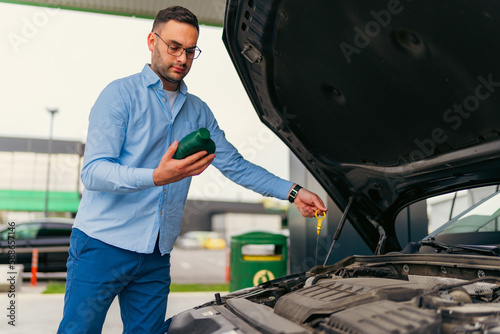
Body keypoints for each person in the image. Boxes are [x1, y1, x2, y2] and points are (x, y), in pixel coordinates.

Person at [57, 5, 327, 334]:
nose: (182, 59)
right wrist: (156, 177)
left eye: (190, 50)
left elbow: (236, 166)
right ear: (151, 41)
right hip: (101, 245)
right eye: (174, 47)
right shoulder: (119, 95)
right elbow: (94, 173)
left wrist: (293, 191)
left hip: (155, 254)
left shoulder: (198, 112)